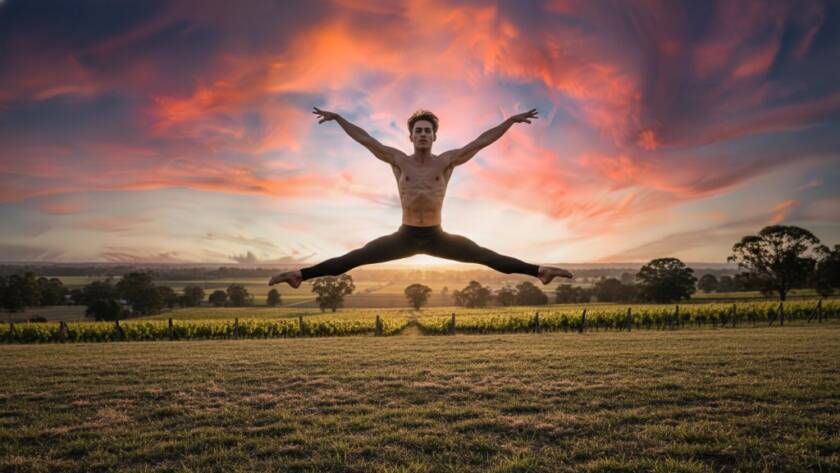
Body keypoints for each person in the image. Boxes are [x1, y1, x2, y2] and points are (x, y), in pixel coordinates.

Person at [269, 107, 573, 288]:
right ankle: (299, 275)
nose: (424, 134)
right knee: (353, 259)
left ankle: (540, 271)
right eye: (419, 130)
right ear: (411, 136)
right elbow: (366, 140)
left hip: (438, 237)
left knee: (489, 257)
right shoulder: (398, 160)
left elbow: (481, 141)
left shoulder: (447, 161)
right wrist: (339, 118)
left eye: (428, 130)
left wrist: (510, 121)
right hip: (405, 236)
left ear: (435, 136)